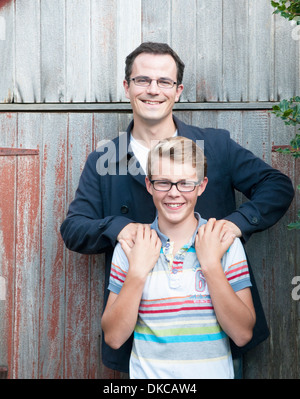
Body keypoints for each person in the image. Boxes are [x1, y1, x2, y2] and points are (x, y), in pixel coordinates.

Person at [60, 42, 294, 375]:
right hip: (144, 343)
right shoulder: (104, 159)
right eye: (142, 80)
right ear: (127, 87)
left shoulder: (215, 145)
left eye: (164, 81)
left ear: (178, 90)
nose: (153, 90)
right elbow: (73, 228)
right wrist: (117, 227)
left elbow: (277, 186)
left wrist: (235, 225)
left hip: (217, 337)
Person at [101, 137, 256, 379]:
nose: (174, 194)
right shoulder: (131, 245)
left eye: (185, 183)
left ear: (201, 186)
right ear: (149, 185)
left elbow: (242, 334)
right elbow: (113, 337)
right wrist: (138, 272)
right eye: (163, 182)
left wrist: (211, 265)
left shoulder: (225, 243)